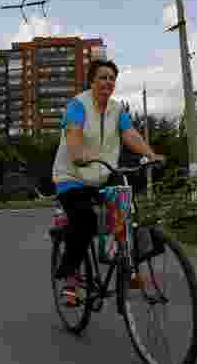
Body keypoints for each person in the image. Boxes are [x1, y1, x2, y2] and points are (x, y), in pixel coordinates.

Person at [51, 59, 163, 306]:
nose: (108, 82)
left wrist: (150, 154)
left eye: (112, 78)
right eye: (102, 77)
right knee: (85, 220)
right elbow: (73, 133)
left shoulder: (116, 110)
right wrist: (79, 153)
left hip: (103, 173)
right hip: (72, 176)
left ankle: (131, 268)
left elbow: (130, 134)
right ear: (92, 81)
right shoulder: (77, 106)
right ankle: (70, 279)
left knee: (127, 213)